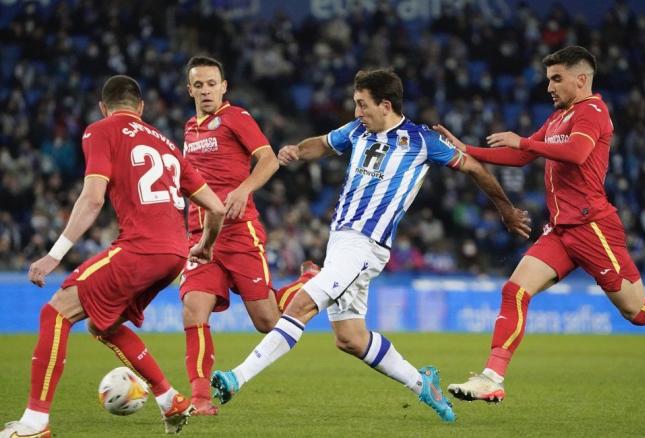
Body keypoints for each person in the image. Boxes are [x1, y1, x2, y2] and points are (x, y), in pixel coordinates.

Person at [210, 69, 531, 422]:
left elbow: (473, 168)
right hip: (341, 241)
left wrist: (505, 210)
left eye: (363, 105)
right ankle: (423, 384)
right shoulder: (358, 130)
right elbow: (323, 142)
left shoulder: (421, 140)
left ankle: (237, 377)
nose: (357, 111)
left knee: (301, 306)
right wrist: (296, 152)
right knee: (350, 337)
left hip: (366, 245)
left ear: (386, 105)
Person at [434, 46, 645, 403]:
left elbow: (576, 153)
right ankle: (492, 377)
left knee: (639, 311)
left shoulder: (593, 111)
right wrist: (469, 150)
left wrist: (523, 140)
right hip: (561, 230)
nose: (550, 87)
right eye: (548, 79)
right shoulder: (558, 117)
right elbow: (522, 156)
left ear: (580, 79)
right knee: (515, 291)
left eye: (557, 78)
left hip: (593, 228)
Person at [0, 75, 227, 438]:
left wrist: (54, 255)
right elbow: (216, 208)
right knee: (102, 324)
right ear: (140, 108)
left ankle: (35, 422)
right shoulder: (167, 144)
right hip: (174, 254)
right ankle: (170, 400)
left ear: (104, 107)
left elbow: (92, 198)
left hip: (141, 246)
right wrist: (207, 245)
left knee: (54, 313)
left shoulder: (100, 130)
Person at [179, 55, 318, 415]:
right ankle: (200, 398)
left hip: (241, 234)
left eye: (212, 83)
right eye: (199, 84)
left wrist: (243, 190)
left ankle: (307, 282)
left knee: (268, 323)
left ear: (223, 87)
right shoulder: (189, 129)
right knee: (194, 312)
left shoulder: (236, 117)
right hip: (201, 237)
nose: (206, 90)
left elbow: (269, 158)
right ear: (189, 89)